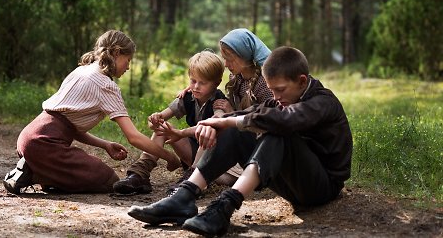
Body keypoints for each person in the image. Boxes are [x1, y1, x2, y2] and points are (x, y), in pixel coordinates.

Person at [126, 46, 353, 237]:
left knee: (272, 129)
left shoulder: (324, 102)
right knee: (238, 126)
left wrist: (230, 121)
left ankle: (225, 206)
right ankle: (184, 196)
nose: (275, 97)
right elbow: (252, 113)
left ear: (302, 81)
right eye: (271, 90)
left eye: (280, 90)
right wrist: (215, 123)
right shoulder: (284, 101)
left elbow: (284, 121)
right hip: (291, 185)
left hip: (321, 188)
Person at [3, 30, 181, 194]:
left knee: (90, 175)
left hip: (29, 137)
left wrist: (105, 145)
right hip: (45, 145)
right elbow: (133, 137)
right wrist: (169, 157)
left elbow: (68, 126)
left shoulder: (82, 70)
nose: (128, 67)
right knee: (107, 180)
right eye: (128, 60)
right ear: (117, 53)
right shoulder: (105, 85)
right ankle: (35, 174)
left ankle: (37, 166)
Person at [167, 28, 274, 192]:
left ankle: (194, 178)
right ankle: (197, 173)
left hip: (254, 145)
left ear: (244, 57)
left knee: (214, 128)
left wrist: (231, 113)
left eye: (229, 59)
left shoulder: (264, 84)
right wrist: (192, 88)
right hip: (236, 134)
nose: (226, 64)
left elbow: (268, 121)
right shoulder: (236, 78)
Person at [113, 50, 227, 195]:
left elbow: (216, 121)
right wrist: (156, 119)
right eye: (193, 81)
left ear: (216, 83)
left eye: (202, 83)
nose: (196, 86)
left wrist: (180, 133)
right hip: (192, 152)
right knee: (163, 127)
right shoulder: (188, 97)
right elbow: (161, 118)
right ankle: (140, 173)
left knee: (208, 130)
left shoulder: (219, 102)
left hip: (212, 156)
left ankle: (193, 179)